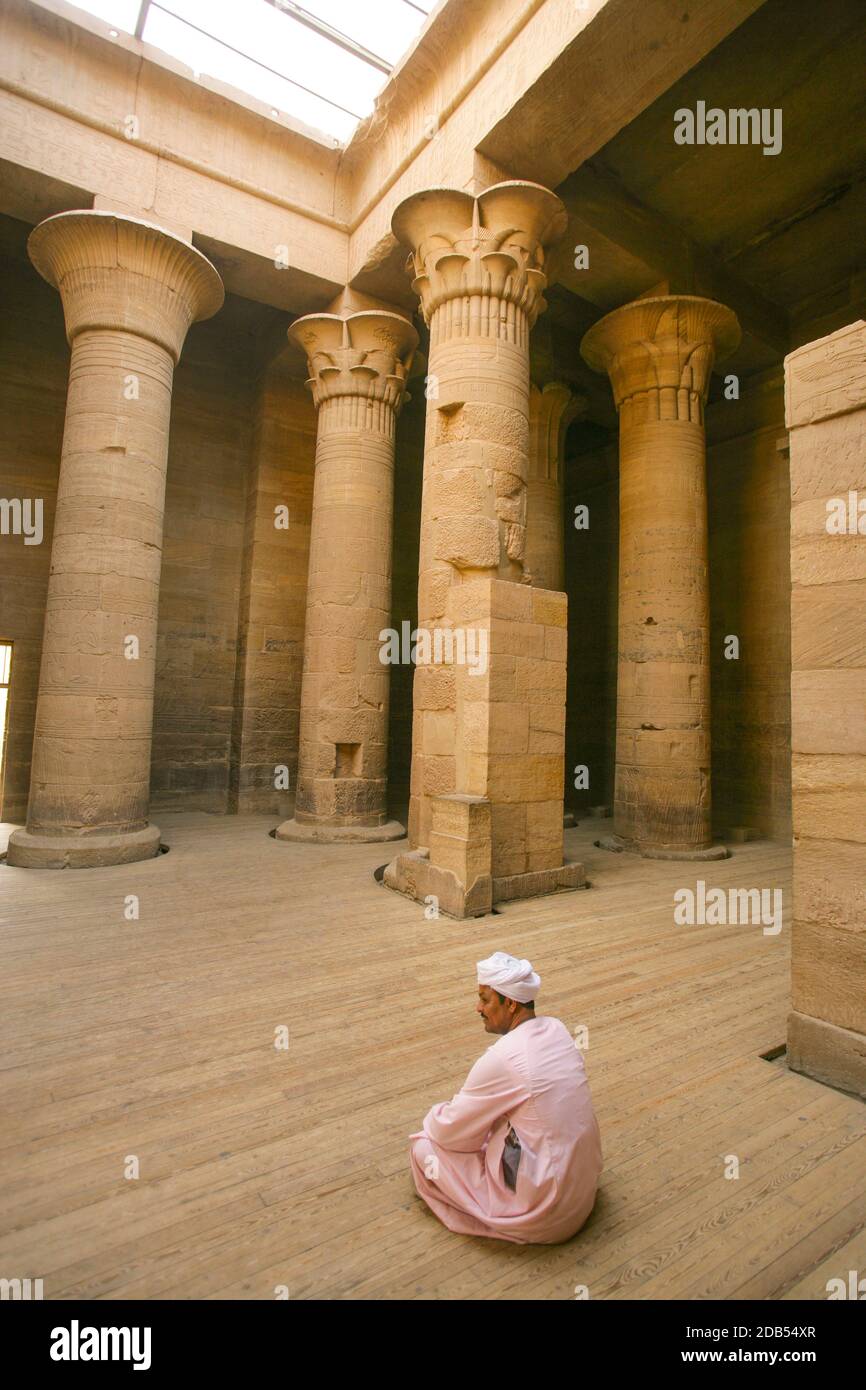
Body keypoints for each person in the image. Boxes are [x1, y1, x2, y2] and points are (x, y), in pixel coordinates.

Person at [409, 950, 602, 1243]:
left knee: (423, 1148)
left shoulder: (504, 1057)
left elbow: (449, 1132)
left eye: (485, 999)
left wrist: (434, 1113)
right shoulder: (558, 1029)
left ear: (510, 1004)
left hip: (548, 1211)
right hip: (580, 1195)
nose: (478, 1008)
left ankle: (504, 1208)